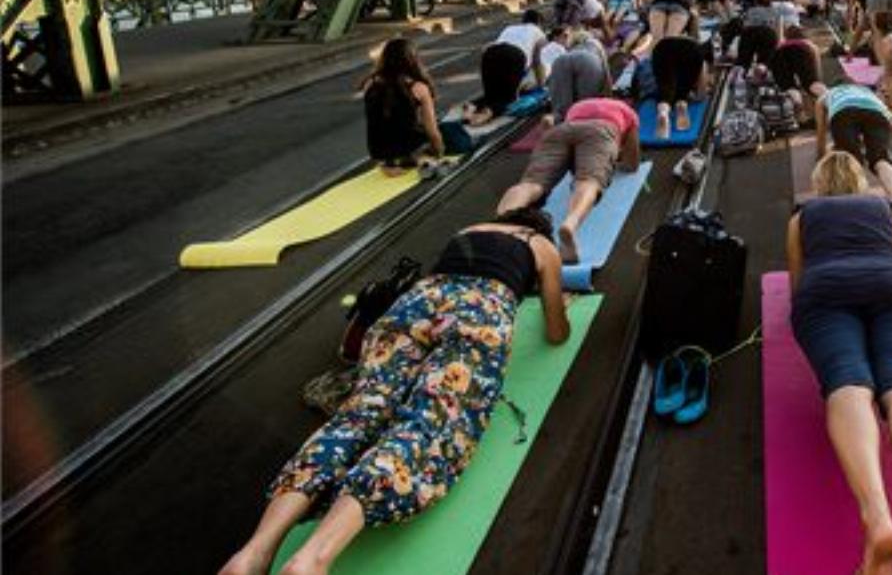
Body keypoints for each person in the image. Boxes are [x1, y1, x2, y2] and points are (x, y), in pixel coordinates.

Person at [218, 206, 569, 575]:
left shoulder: (469, 228)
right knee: (426, 423)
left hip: (416, 304)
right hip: (478, 313)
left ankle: (254, 552)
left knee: (358, 416)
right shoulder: (540, 243)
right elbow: (556, 332)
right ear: (535, 227)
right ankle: (313, 559)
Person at [786, 151, 892, 575]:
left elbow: (798, 285)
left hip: (826, 292)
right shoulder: (883, 208)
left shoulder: (803, 217)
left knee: (848, 382)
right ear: (859, 182)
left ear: (819, 185)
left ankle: (877, 518)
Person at [497, 96, 641, 262]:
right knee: (589, 181)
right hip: (601, 131)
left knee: (532, 183)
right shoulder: (626, 111)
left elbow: (573, 149)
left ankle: (497, 226)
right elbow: (632, 163)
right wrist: (616, 156)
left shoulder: (577, 106)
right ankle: (570, 224)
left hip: (561, 130)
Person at [814, 84, 892, 214]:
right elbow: (888, 114)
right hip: (876, 113)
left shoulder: (825, 96)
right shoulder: (866, 91)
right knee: (880, 159)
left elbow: (821, 131)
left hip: (843, 112)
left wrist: (820, 157)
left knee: (851, 160)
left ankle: (859, 203)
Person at [361, 38, 445, 174]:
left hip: (379, 153)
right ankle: (418, 160)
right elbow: (432, 131)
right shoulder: (418, 87)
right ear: (413, 60)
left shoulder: (370, 84)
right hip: (410, 150)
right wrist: (439, 151)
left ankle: (390, 164)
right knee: (446, 131)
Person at [650, 34, 709, 135]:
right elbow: (701, 94)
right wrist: (700, 94)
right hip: (691, 50)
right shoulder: (701, 53)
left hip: (662, 47)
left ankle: (663, 111)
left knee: (665, 89)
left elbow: (659, 78)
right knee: (682, 91)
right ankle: (681, 105)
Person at [547, 30, 612, 121]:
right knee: (584, 107)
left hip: (561, 60)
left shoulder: (569, 51)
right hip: (589, 61)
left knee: (561, 112)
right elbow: (607, 74)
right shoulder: (596, 44)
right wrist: (609, 97)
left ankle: (560, 127)